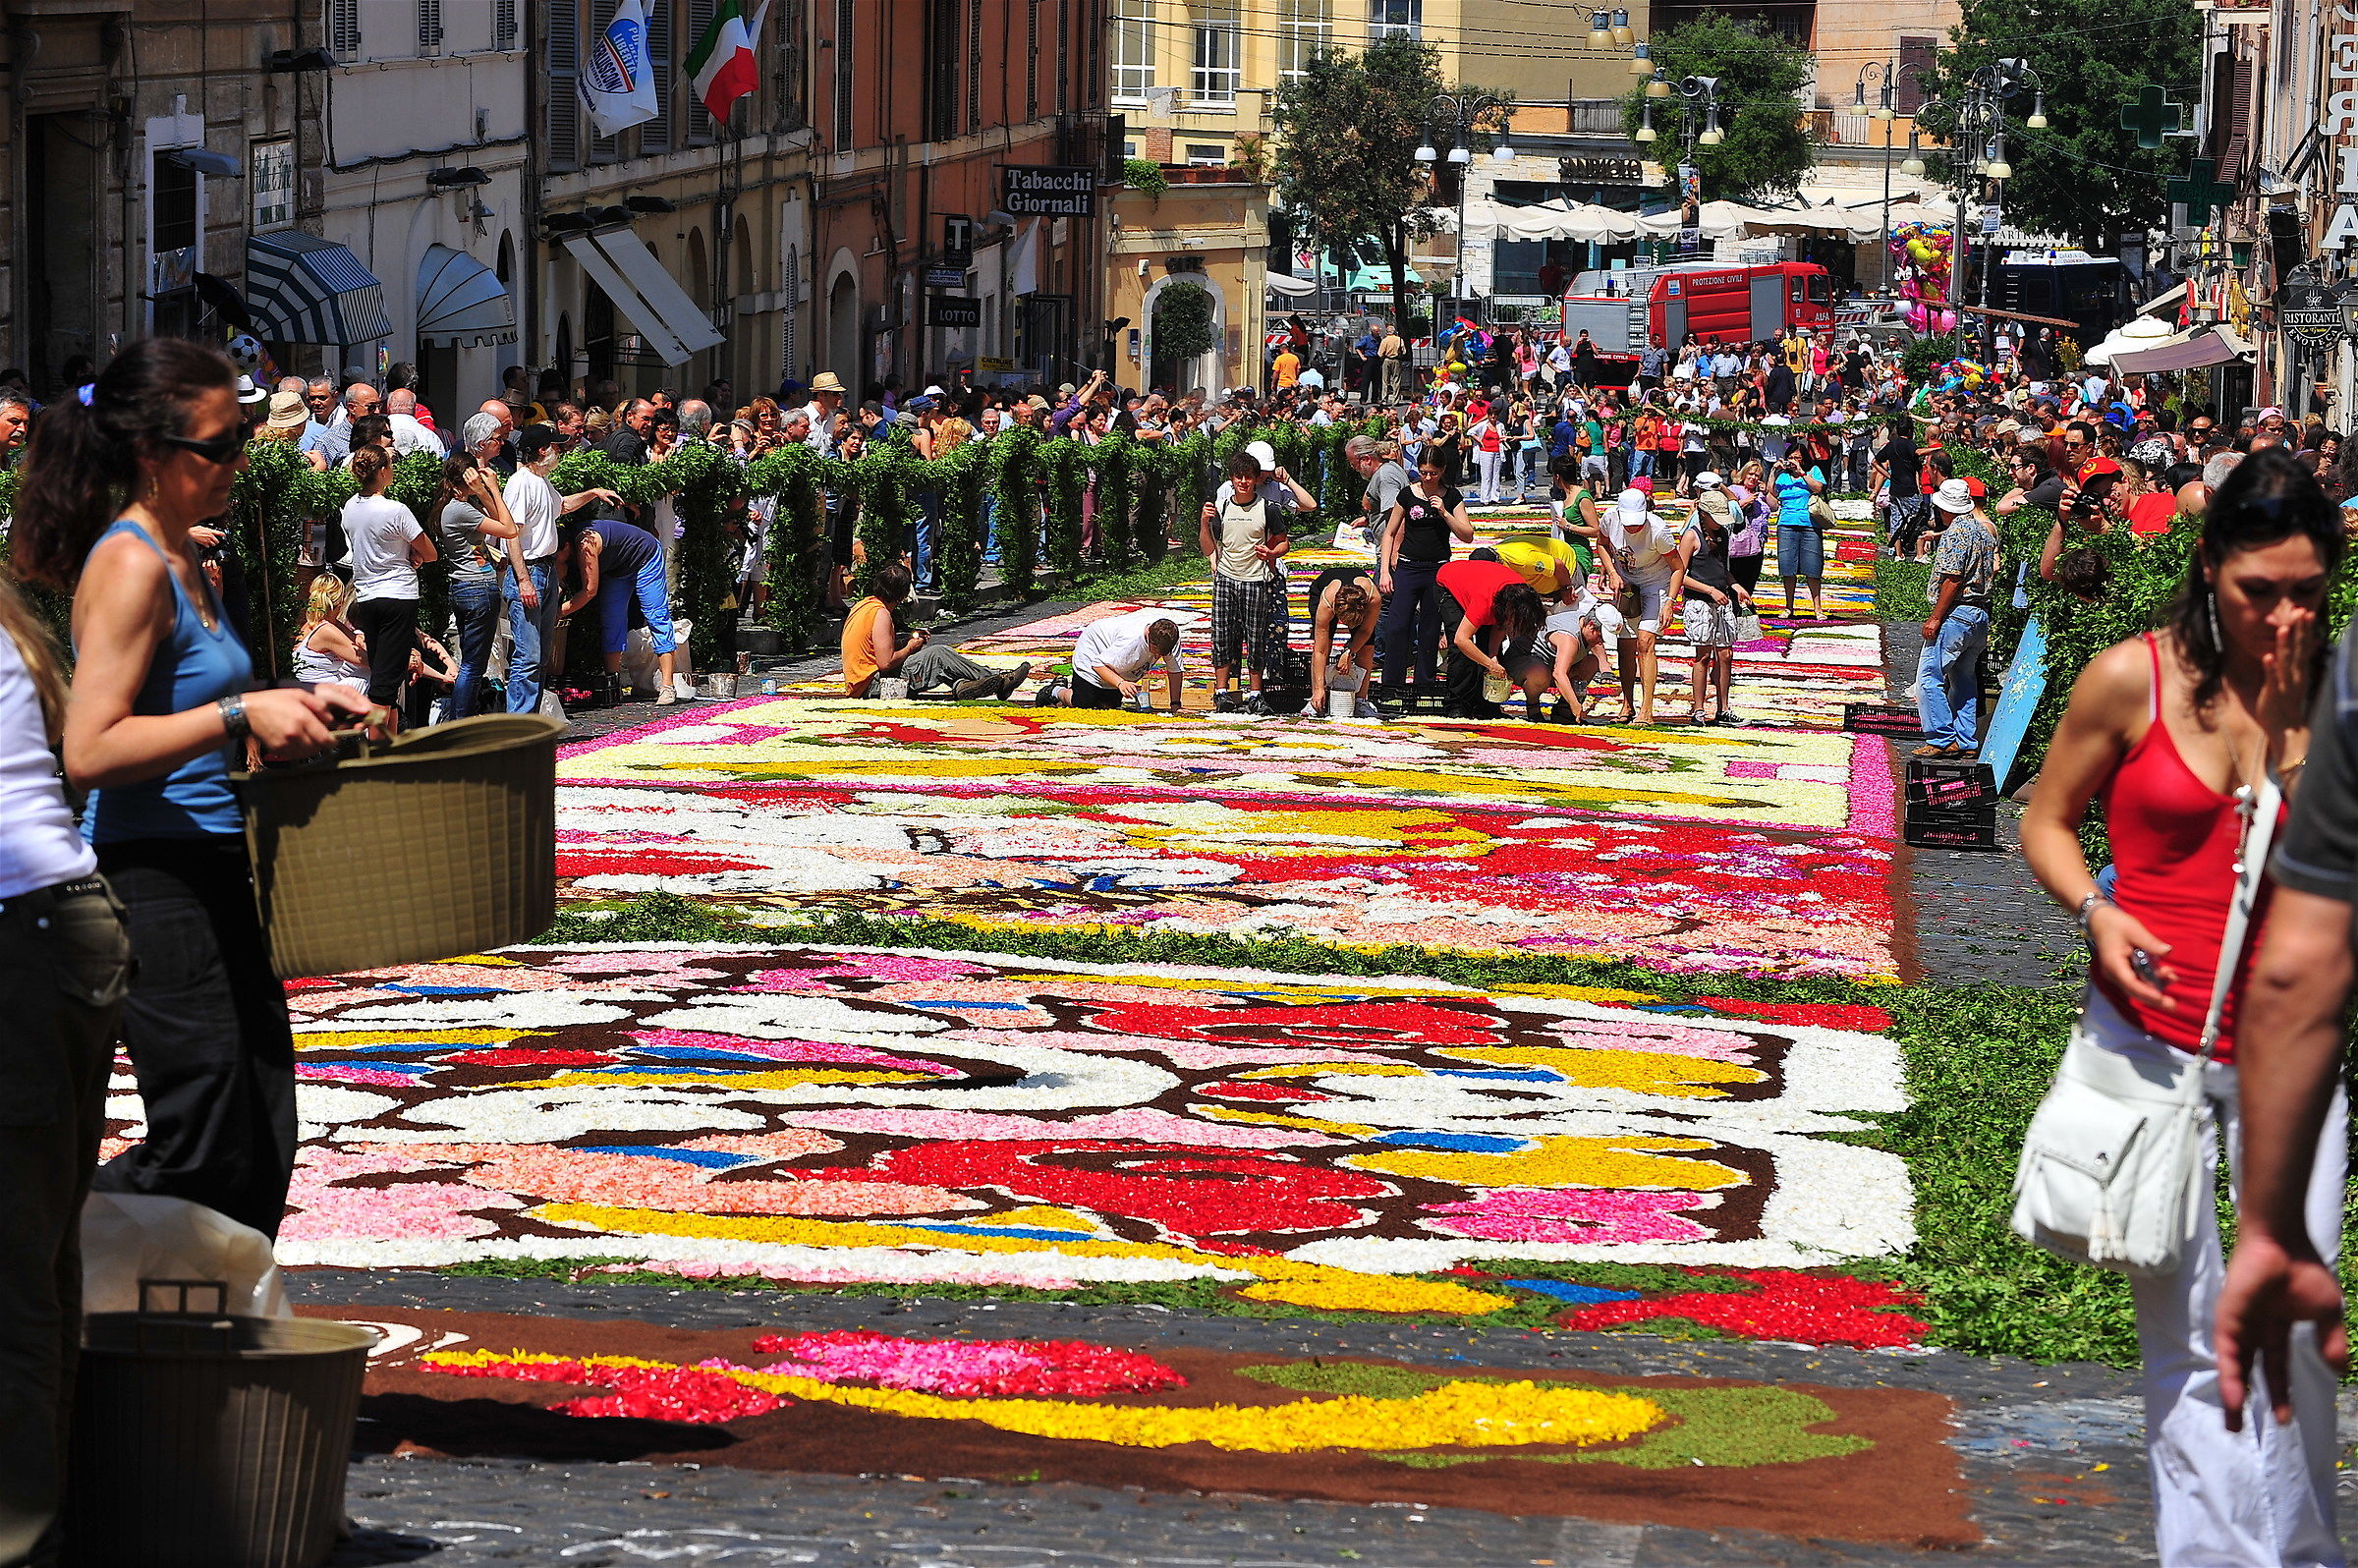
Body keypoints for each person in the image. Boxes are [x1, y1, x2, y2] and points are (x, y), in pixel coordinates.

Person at [2023, 449, 2341, 1567]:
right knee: (2195, 1344)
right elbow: (2048, 820)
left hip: (2289, 1060)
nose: (2283, 614)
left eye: (2309, 591)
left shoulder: (2335, 698)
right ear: (2210, 568)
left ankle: (2298, 1554)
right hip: (2148, 1050)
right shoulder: (2130, 677)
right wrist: (2095, 915)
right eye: (2261, 591)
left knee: (2295, 1336)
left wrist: (2303, 716)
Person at [6, 338, 375, 1245]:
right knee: (204, 1134)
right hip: (149, 877)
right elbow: (90, 748)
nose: (236, 463)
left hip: (211, 862)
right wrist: (241, 715)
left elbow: (209, 707)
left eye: (239, 438)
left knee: (260, 1122)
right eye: (217, 445)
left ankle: (199, 1344)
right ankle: (48, 1254)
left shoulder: (185, 560)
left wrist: (299, 710)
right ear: (151, 454)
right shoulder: (131, 563)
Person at [0, 555, 131, 1568]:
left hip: (24, 942)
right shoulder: (14, 627)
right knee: (37, 1257)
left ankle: (25, 1538)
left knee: (15, 1269)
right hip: (63, 935)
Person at [502, 425, 620, 718]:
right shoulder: (521, 483)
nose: (559, 451)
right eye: (555, 446)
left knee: (540, 656)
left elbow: (562, 505)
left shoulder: (541, 482)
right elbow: (511, 534)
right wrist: (524, 580)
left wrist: (593, 492)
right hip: (529, 571)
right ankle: (518, 726)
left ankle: (531, 722)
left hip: (544, 569)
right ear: (542, 450)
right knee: (528, 656)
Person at [1201, 450, 1311, 712]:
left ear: (1255, 480)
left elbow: (1284, 542)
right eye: (1238, 477)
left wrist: (1271, 553)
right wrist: (1204, 523)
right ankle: (1221, 691)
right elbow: (1208, 548)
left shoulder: (1268, 508)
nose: (1243, 482)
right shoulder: (1222, 507)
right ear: (1231, 479)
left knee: (1256, 637)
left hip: (1255, 580)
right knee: (1222, 635)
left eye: (1248, 477)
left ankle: (1255, 693)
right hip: (1226, 579)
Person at [341, 445, 436, 716]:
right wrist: (414, 554)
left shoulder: (350, 507)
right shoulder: (395, 510)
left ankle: (390, 750)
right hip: (398, 594)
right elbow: (430, 553)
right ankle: (378, 751)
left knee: (386, 676)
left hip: (368, 595)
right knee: (385, 683)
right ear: (383, 471)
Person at [841, 564, 1028, 700]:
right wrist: (910, 648)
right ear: (902, 594)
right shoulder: (881, 614)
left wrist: (906, 640)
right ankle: (998, 679)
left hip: (861, 684)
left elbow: (874, 647)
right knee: (937, 654)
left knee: (938, 662)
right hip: (874, 687)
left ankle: (962, 686)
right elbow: (885, 663)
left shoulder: (863, 605)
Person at [557, 513, 684, 707]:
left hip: (645, 555)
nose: (556, 562)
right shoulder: (567, 545)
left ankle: (667, 686)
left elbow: (589, 591)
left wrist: (558, 613)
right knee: (612, 619)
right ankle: (613, 684)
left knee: (655, 615)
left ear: (566, 547)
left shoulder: (585, 544)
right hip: (618, 569)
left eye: (557, 559)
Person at [1377, 453, 1475, 700]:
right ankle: (1392, 686)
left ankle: (1424, 686)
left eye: (1433, 473)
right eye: (1423, 472)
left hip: (1437, 569)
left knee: (1430, 630)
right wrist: (1386, 572)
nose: (1428, 477)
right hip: (1408, 568)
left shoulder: (1451, 496)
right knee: (1398, 627)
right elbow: (1389, 533)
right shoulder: (1408, 494)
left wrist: (1444, 512)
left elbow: (1467, 534)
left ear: (1442, 470)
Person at [1915, 477, 1999, 759]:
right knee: (1963, 679)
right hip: (1980, 614)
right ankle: (1966, 739)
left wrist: (1936, 617)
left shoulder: (1955, 533)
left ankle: (1941, 737)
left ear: (1945, 509)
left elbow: (1953, 578)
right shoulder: (1984, 532)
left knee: (1929, 676)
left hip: (1957, 614)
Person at [431, 451, 519, 721]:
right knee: (472, 665)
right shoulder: (461, 510)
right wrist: (489, 489)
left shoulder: (454, 507)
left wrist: (484, 495)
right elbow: (510, 529)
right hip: (478, 587)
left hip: (463, 586)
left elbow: (499, 521)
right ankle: (462, 723)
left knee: (471, 661)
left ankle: (462, 719)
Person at [1596, 485, 1683, 725]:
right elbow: (1601, 544)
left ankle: (1647, 709)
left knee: (1645, 641)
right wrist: (1612, 572)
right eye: (1629, 522)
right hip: (1626, 584)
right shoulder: (1610, 519)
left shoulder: (1658, 530)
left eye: (1637, 522)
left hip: (1656, 584)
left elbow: (1678, 568)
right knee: (1625, 645)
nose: (1633, 527)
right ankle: (1627, 703)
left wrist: (1670, 603)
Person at [1435, 554, 1550, 720]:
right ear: (1509, 611)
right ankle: (1457, 704)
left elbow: (1499, 627)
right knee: (1462, 653)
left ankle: (1487, 704)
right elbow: (1462, 640)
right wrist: (1489, 663)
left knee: (1490, 653)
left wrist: (1493, 655)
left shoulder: (1522, 598)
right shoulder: (1486, 602)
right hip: (1449, 584)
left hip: (1485, 588)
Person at [1679, 490, 1752, 726]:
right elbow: (1679, 575)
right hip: (1699, 602)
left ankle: (1724, 708)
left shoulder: (1723, 534)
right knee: (1703, 656)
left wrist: (1736, 585)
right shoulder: (1691, 536)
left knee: (1726, 655)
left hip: (1722, 601)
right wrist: (1709, 590)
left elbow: (1722, 569)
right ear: (1704, 513)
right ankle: (1698, 709)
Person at [1303, 570, 1383, 719]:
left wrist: (1349, 652)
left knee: (1367, 647)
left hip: (1360, 604)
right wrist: (1319, 688)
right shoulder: (1327, 603)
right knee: (1325, 643)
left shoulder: (1373, 598)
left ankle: (1361, 701)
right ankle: (1316, 698)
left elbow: (1365, 631)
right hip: (1323, 590)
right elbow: (1320, 650)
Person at [1064, 608, 1181, 711]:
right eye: (1155, 651)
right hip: (1093, 651)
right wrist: (1121, 683)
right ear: (1149, 636)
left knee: (1108, 707)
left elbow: (1175, 670)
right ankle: (1055, 691)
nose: (1157, 656)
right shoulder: (1130, 642)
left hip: (1114, 663)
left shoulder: (1169, 637)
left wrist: (1175, 705)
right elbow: (1097, 664)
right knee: (1083, 704)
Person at [1771, 449, 1828, 620]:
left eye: (1797, 458)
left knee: (1813, 566)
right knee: (1788, 566)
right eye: (1790, 458)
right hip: (1786, 523)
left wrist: (1801, 473)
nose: (1793, 461)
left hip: (1809, 523)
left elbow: (1818, 488)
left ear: (1803, 459)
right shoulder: (1783, 476)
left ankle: (1817, 608)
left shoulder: (1813, 471)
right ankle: (1789, 606)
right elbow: (1772, 493)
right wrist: (1774, 471)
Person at [290, 573, 370, 689]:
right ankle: (384, 705)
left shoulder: (314, 622)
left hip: (318, 687)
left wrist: (362, 640)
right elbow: (365, 659)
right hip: (320, 694)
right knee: (370, 673)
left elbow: (356, 639)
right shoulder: (326, 630)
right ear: (341, 602)